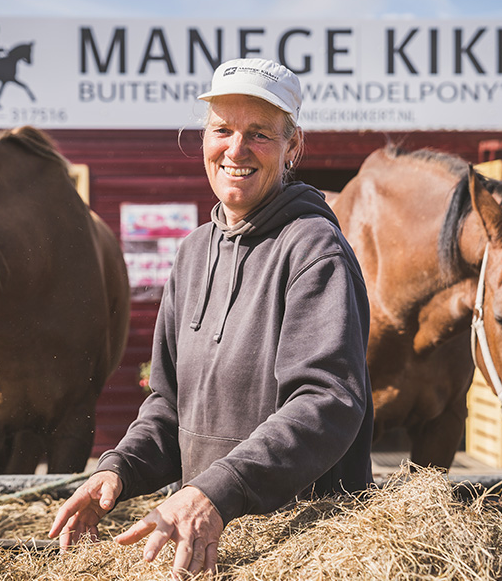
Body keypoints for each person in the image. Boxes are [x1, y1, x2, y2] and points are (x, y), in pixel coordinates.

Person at [49, 57, 373, 578]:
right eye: (222, 129)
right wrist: (120, 469)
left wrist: (214, 492)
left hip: (300, 548)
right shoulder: (194, 252)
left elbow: (328, 404)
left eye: (260, 134)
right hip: (204, 543)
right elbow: (168, 405)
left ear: (293, 147)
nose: (236, 150)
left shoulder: (314, 249)